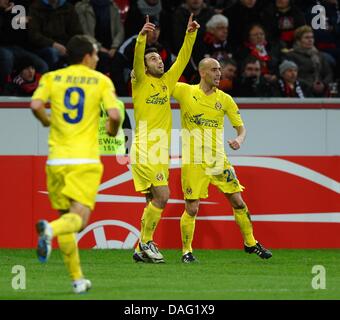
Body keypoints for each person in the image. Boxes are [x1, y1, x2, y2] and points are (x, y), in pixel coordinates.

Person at [30, 35, 121, 293]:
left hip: (56, 160)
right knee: (77, 222)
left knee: (66, 217)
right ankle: (49, 230)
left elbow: (35, 104)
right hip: (85, 160)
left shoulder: (51, 78)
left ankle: (78, 280)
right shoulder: (101, 80)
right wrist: (113, 131)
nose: (98, 57)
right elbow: (114, 114)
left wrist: (47, 122)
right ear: (86, 57)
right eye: (96, 53)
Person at [172, 57, 272, 263]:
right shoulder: (185, 91)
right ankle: (186, 252)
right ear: (202, 72)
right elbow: (161, 82)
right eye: (214, 70)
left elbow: (241, 128)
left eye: (220, 70)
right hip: (194, 161)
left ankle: (250, 243)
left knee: (238, 201)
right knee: (192, 207)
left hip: (218, 159)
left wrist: (239, 139)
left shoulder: (225, 99)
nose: (219, 74)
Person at [131, 15, 199, 264]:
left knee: (153, 200)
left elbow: (181, 60)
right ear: (145, 66)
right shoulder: (139, 81)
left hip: (160, 149)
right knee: (163, 195)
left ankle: (141, 248)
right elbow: (137, 59)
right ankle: (146, 242)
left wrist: (190, 34)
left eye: (159, 58)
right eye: (153, 59)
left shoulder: (166, 83)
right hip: (144, 147)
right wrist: (142, 38)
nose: (158, 61)